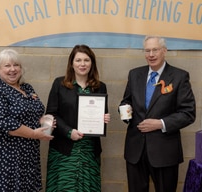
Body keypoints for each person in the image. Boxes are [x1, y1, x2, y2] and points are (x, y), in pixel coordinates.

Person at [119, 35, 196, 192]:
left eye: (155, 50)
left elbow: (188, 113)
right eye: (147, 50)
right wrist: (125, 112)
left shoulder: (179, 76)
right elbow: (126, 101)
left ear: (164, 51)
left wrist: (160, 123)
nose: (151, 54)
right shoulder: (135, 75)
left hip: (164, 151)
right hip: (135, 151)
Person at [0, 49, 54, 192]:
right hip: (3, 157)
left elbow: (33, 112)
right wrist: (33, 134)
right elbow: (4, 122)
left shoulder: (27, 88)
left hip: (28, 156)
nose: (12, 69)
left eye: (16, 65)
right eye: (7, 66)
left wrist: (44, 122)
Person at [45, 44, 110, 192]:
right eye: (78, 60)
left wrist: (104, 118)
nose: (82, 64)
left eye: (86, 60)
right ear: (71, 63)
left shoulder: (100, 87)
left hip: (89, 150)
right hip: (64, 149)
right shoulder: (59, 84)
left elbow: (101, 114)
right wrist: (69, 132)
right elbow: (51, 114)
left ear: (92, 63)